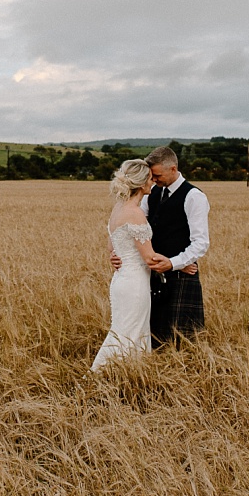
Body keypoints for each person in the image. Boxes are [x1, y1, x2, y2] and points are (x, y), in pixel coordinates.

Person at [110, 146, 209, 348]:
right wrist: (117, 252)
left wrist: (174, 263)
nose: (153, 180)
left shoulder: (194, 196)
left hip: (181, 276)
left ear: (173, 169)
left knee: (182, 342)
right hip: (152, 273)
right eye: (151, 177)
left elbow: (201, 243)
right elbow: (131, 227)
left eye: (157, 175)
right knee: (153, 338)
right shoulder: (150, 193)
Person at [90, 158, 168, 370]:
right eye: (150, 179)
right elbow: (149, 258)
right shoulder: (135, 213)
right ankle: (103, 375)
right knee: (131, 333)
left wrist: (115, 257)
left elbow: (112, 248)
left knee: (123, 331)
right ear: (141, 183)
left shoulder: (118, 208)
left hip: (121, 280)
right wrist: (176, 263)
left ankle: (121, 375)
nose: (153, 182)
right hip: (135, 284)